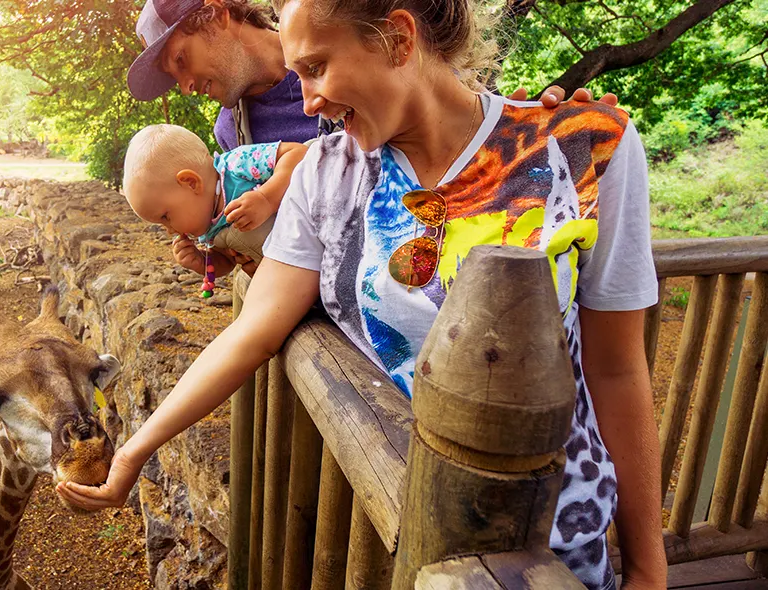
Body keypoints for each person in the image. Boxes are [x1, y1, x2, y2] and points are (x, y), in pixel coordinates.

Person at [63, 1, 668, 588]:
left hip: (555, 544)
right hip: (397, 528)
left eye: (316, 68)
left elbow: (617, 370)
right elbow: (252, 331)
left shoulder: (587, 146)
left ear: (399, 39)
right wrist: (135, 450)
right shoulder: (325, 172)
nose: (306, 101)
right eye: (298, 73)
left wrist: (648, 568)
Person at [126, 0, 617, 151]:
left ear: (213, 16)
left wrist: (524, 138)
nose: (185, 85)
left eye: (182, 61)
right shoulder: (231, 133)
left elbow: (460, 133)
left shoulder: (354, 37)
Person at [123, 124, 308, 284]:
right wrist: (202, 261)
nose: (170, 230)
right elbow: (227, 263)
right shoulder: (209, 227)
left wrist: (267, 199)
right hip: (293, 271)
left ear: (190, 183)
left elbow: (299, 154)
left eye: (166, 217)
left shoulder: (237, 165)